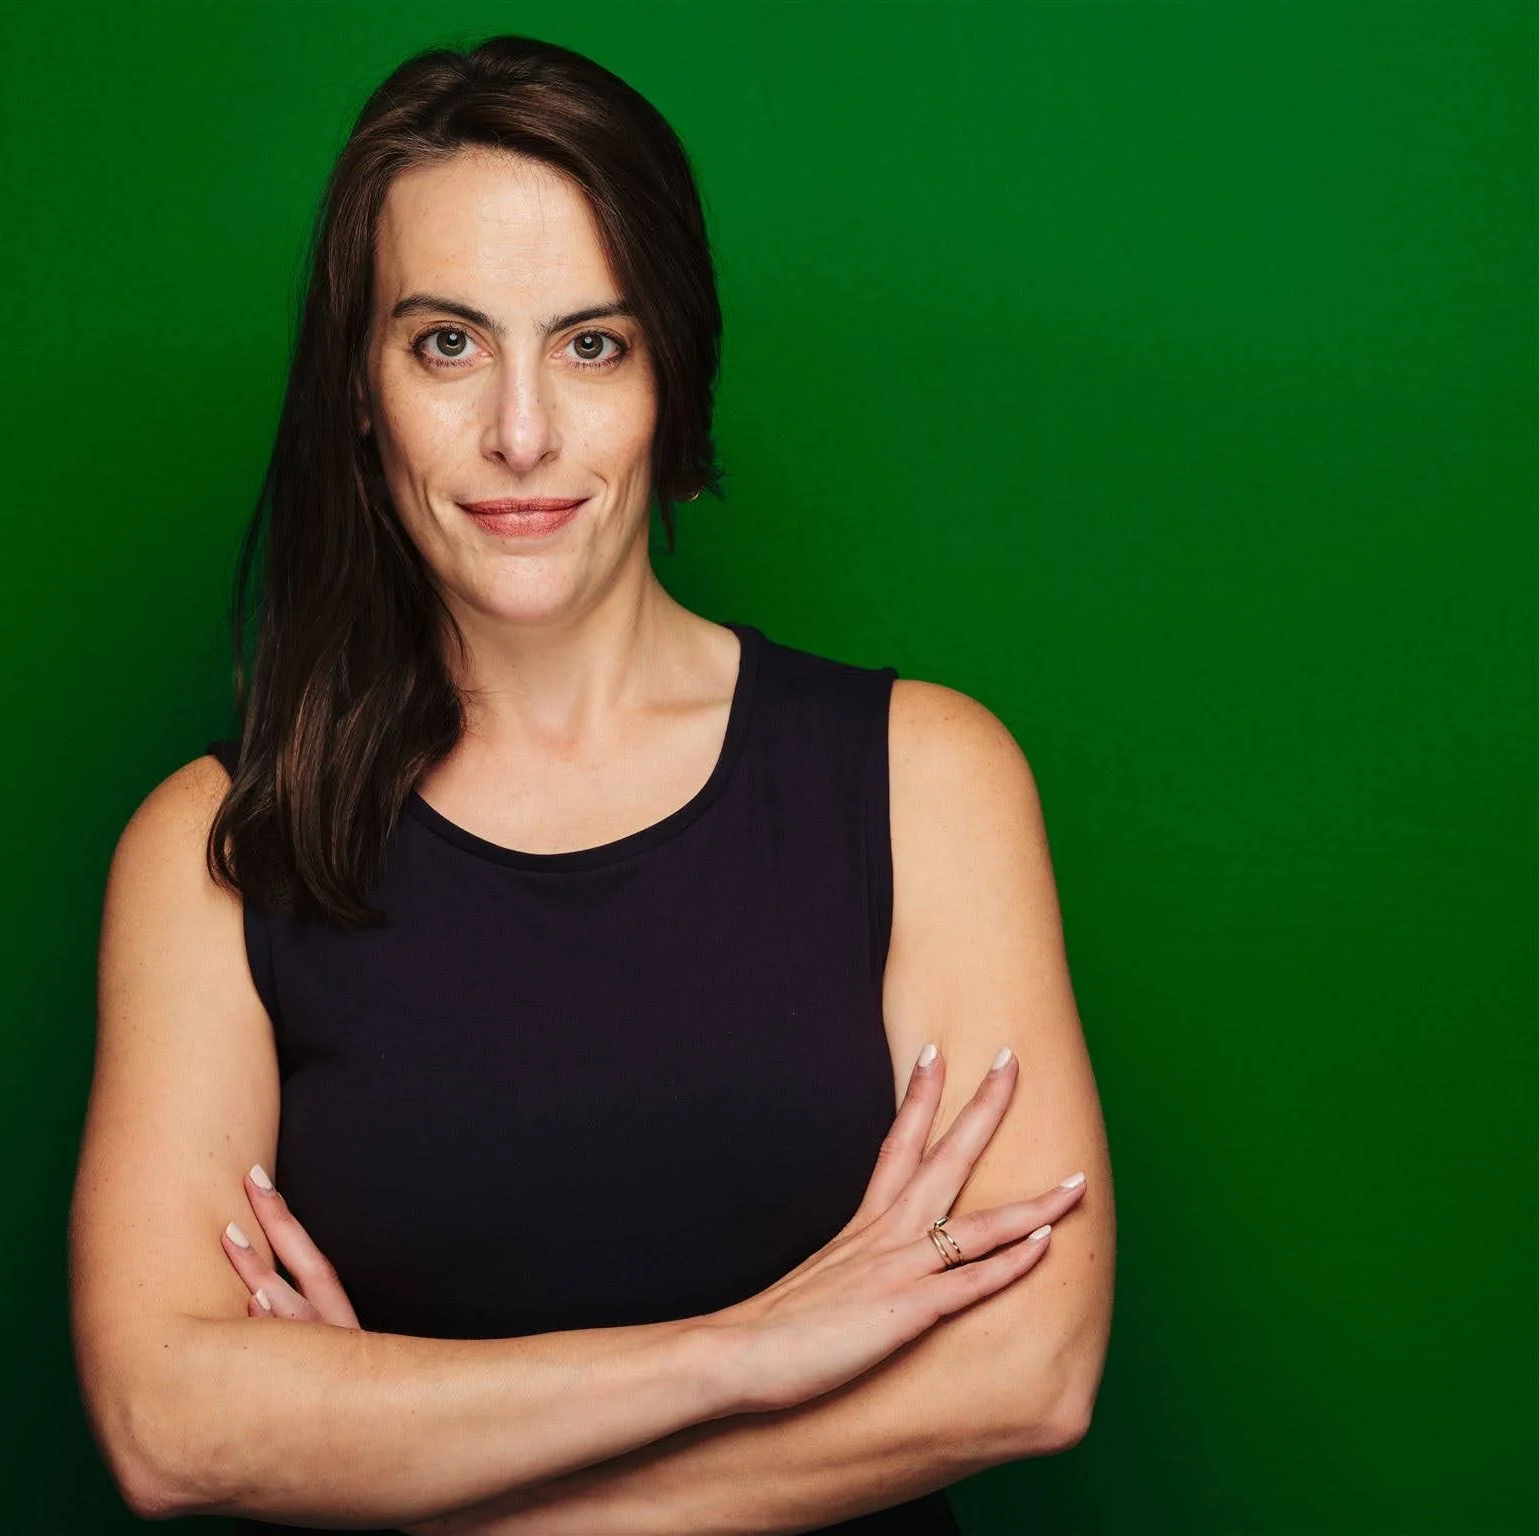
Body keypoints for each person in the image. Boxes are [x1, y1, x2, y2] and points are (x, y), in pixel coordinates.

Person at [69, 34, 1114, 1536]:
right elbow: (171, 1419)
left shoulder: (923, 779)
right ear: (359, 393)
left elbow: (1029, 1367)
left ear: (672, 376)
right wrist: (740, 1355)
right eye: (445, 344)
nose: (519, 433)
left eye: (592, 343)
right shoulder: (220, 852)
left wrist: (428, 1486)